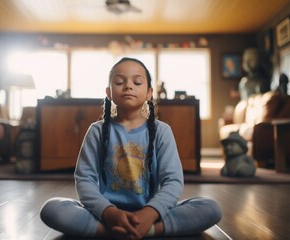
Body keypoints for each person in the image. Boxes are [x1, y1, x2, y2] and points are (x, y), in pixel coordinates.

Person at [40, 57, 222, 239]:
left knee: (210, 208)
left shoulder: (162, 131)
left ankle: (142, 230)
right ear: (109, 92)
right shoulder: (97, 131)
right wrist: (110, 214)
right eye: (119, 82)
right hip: (106, 215)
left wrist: (148, 215)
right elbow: (84, 179)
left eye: (137, 82)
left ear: (149, 93)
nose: (128, 86)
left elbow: (173, 181)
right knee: (52, 209)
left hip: (151, 215)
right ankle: (123, 231)